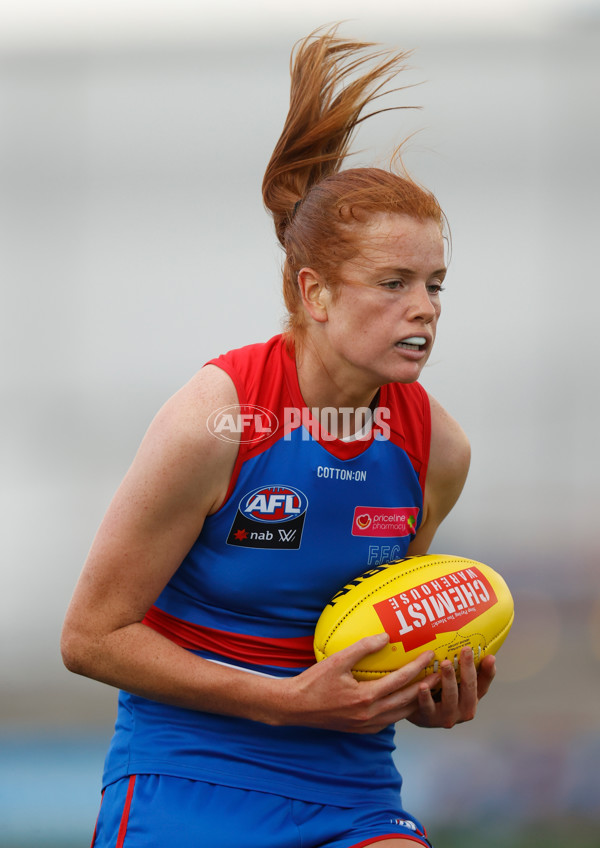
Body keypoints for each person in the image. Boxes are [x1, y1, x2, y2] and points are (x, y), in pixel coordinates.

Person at [61, 26, 496, 848]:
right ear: (316, 292)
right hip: (188, 778)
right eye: (394, 283)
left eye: (436, 284)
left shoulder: (438, 448)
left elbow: (384, 631)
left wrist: (429, 688)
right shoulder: (212, 421)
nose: (426, 307)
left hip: (354, 787)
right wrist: (284, 699)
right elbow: (89, 638)